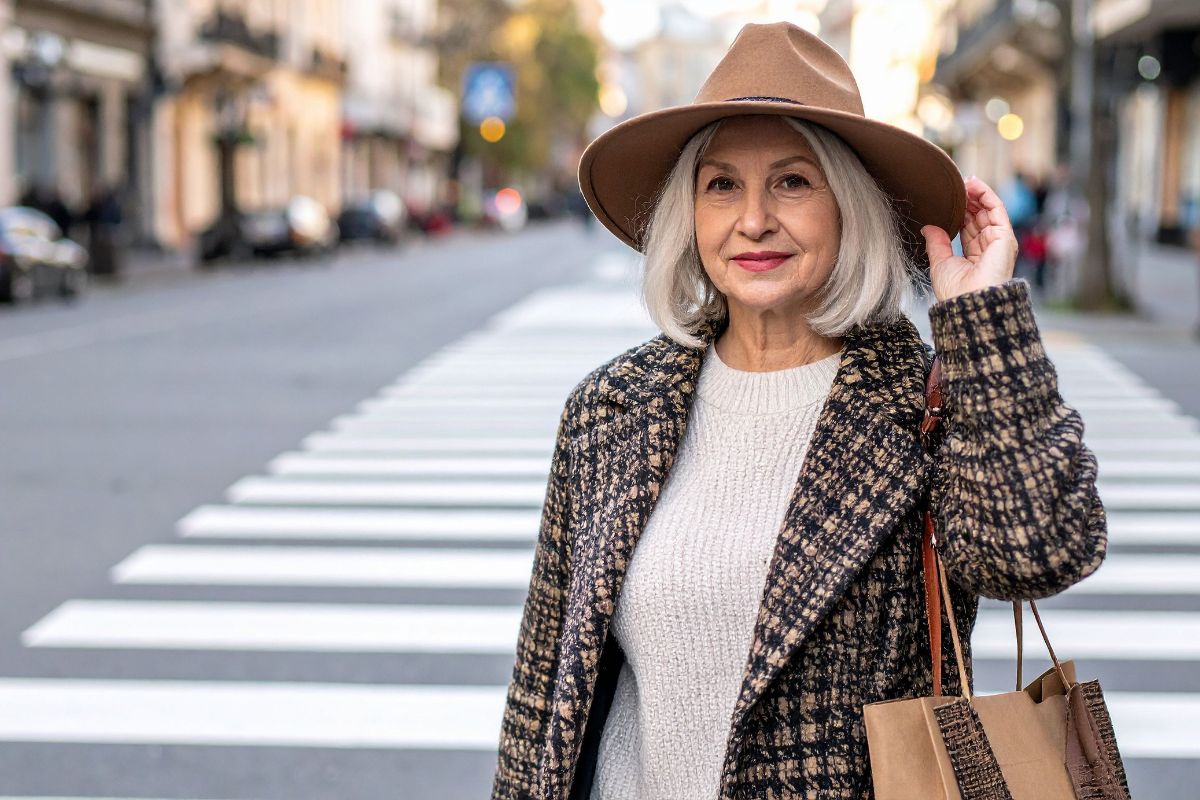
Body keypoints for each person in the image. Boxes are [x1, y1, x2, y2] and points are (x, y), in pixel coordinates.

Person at [491, 22, 1107, 800]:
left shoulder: (924, 406)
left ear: (849, 205)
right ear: (690, 213)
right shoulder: (612, 408)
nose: (753, 219)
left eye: (791, 182)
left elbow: (1038, 554)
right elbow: (543, 690)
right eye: (721, 185)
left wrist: (981, 321)